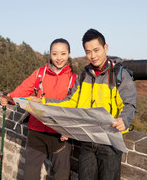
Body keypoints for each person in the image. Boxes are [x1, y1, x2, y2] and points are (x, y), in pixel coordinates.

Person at [41, 29, 137, 180]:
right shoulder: (84, 76)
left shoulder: (120, 75)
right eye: (88, 52)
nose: (93, 56)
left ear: (106, 48)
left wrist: (124, 120)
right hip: (87, 142)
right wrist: (44, 101)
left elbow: (129, 104)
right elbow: (71, 102)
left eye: (96, 50)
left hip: (110, 143)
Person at [0, 38, 77, 180]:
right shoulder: (40, 73)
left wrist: (69, 129)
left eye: (63, 54)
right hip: (36, 131)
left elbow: (76, 106)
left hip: (60, 134)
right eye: (54, 54)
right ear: (50, 54)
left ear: (69, 54)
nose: (59, 58)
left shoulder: (75, 79)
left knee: (62, 176)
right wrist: (7, 97)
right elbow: (23, 90)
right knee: (30, 175)